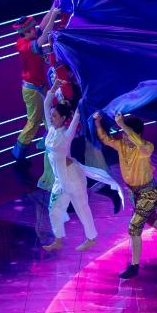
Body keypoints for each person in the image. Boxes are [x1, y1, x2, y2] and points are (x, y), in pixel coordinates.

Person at [95, 111, 157, 278]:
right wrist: (98, 122)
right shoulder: (121, 145)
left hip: (150, 193)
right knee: (151, 219)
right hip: (135, 194)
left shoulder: (146, 148)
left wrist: (122, 125)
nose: (125, 137)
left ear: (136, 135)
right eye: (123, 134)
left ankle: (134, 267)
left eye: (128, 134)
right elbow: (105, 139)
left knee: (134, 228)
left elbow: (139, 143)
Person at [41, 91, 122, 252]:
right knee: (54, 210)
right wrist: (53, 89)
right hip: (60, 180)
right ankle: (58, 240)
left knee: (82, 208)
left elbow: (78, 113)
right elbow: (45, 104)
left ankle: (91, 238)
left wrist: (83, 98)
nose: (51, 118)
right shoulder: (51, 130)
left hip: (73, 177)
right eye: (51, 115)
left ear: (63, 118)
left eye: (55, 116)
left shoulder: (67, 133)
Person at [10, 10, 56, 164]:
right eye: (31, 29)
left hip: (40, 85)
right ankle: (18, 152)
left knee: (49, 115)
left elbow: (42, 25)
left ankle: (48, 140)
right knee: (34, 121)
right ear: (25, 32)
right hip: (32, 89)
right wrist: (54, 16)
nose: (35, 30)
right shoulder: (24, 45)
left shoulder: (31, 37)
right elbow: (43, 37)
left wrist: (53, 8)